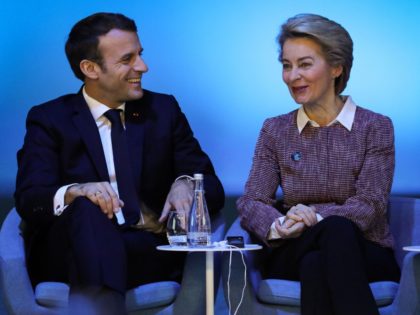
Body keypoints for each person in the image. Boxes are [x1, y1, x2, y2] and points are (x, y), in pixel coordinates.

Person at [15, 12, 224, 314]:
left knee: (108, 250)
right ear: (90, 68)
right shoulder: (50, 119)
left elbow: (212, 187)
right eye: (127, 59)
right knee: (86, 209)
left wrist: (187, 183)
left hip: (143, 250)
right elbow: (30, 198)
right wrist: (76, 191)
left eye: (140, 54)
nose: (143, 66)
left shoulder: (162, 110)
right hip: (70, 252)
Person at [237, 13, 400, 315]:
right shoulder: (275, 130)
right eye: (286, 65)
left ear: (337, 67)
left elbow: (369, 204)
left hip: (366, 249)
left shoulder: (375, 127)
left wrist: (314, 215)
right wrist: (280, 224)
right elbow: (251, 201)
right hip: (293, 246)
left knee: (324, 252)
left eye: (305, 64)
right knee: (323, 245)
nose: (292, 75)